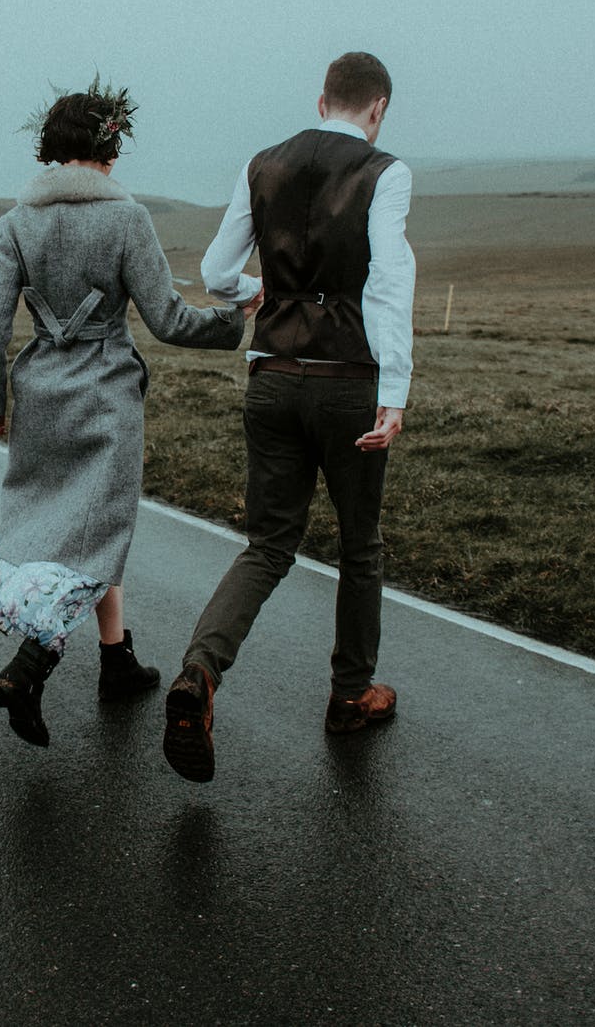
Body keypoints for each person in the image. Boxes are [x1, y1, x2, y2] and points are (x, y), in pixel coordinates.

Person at [0, 77, 250, 747]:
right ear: (109, 147)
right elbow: (169, 320)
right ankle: (29, 666)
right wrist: (236, 320)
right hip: (105, 397)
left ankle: (117, 661)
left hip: (38, 395)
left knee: (71, 530)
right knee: (98, 535)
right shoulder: (127, 219)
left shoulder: (17, 223)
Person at [162, 52, 416, 783]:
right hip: (347, 385)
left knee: (267, 546)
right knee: (358, 546)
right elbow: (388, 283)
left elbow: (214, 274)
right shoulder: (385, 172)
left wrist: (268, 295)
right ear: (378, 108)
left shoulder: (262, 164)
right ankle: (348, 695)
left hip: (270, 379)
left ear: (320, 100)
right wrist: (392, 392)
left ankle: (200, 673)